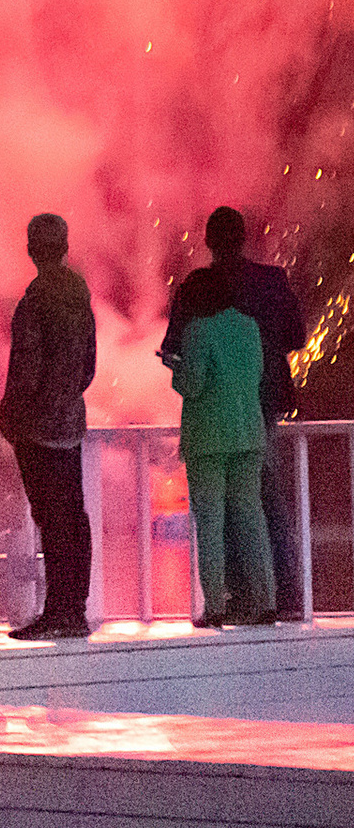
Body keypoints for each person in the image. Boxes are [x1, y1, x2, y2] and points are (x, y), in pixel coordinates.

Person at [163, 208, 307, 620]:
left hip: (211, 418)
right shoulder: (271, 281)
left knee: (215, 514)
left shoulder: (197, 290)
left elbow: (177, 351)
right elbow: (296, 337)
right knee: (262, 504)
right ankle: (280, 596)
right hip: (259, 409)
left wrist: (182, 367)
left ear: (209, 241)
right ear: (244, 238)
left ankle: (229, 599)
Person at [0, 212, 97, 641]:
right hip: (70, 422)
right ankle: (74, 609)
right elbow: (89, 366)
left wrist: (11, 412)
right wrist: (66, 397)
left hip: (37, 427)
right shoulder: (80, 300)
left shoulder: (35, 302)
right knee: (73, 516)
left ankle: (56, 612)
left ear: (32, 249)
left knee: (52, 519)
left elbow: (26, 370)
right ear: (66, 246)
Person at [170, 272, 276, 627]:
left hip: (208, 438)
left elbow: (193, 384)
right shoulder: (250, 327)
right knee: (252, 519)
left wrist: (176, 368)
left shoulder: (198, 330)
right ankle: (265, 601)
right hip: (248, 431)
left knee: (211, 523)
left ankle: (215, 606)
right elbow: (256, 375)